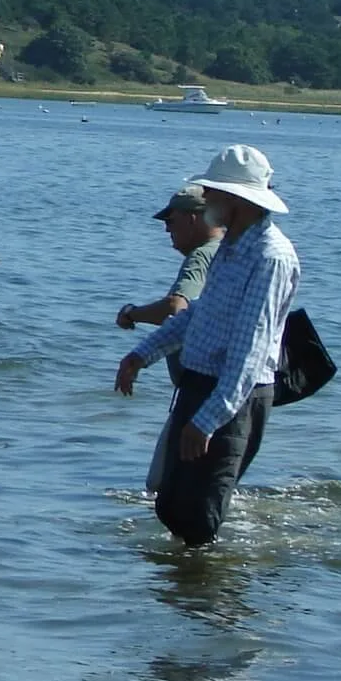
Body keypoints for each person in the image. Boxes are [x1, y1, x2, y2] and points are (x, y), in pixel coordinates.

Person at [116, 145, 301, 547]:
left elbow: (250, 348)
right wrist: (141, 355)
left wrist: (209, 418)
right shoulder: (230, 248)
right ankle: (180, 597)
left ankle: (216, 605)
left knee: (199, 517)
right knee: (169, 505)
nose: (206, 201)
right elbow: (198, 314)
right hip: (197, 384)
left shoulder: (271, 257)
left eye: (212, 193)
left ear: (237, 200)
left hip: (235, 396)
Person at [116, 183, 225, 377]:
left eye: (170, 221)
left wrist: (131, 314)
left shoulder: (200, 256)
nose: (167, 230)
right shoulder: (229, 250)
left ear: (192, 219)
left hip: (199, 381)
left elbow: (176, 307)